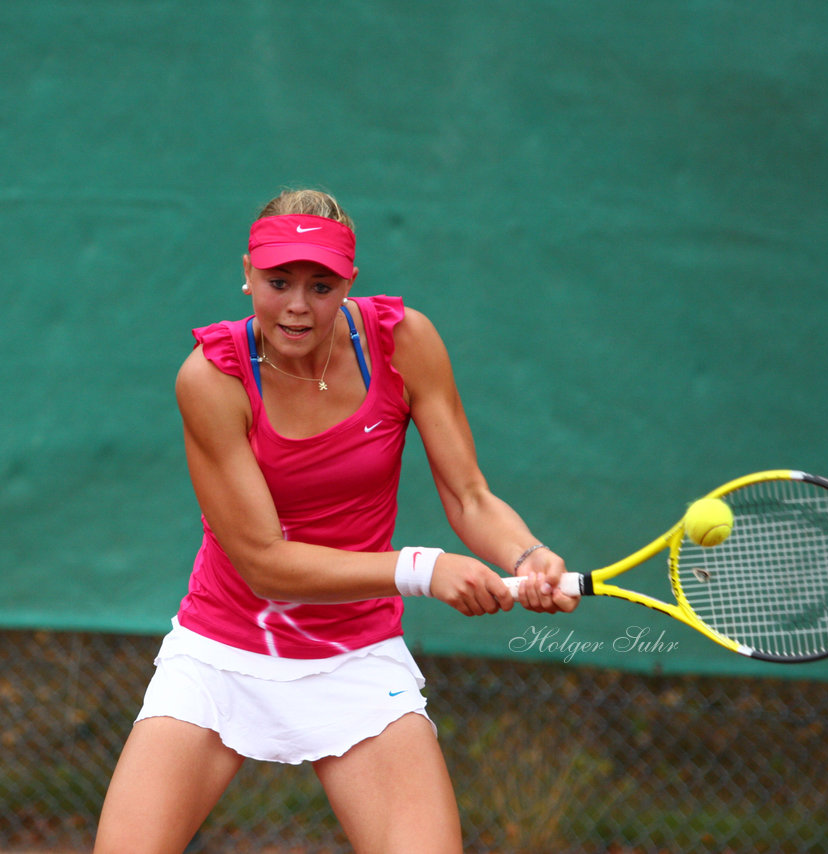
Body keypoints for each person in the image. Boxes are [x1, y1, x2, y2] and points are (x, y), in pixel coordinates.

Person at [93, 188, 577, 854]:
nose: (296, 305)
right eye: (278, 281)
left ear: (348, 282)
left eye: (320, 286)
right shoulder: (211, 379)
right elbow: (264, 563)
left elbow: (469, 495)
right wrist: (425, 569)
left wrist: (526, 555)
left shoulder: (405, 344)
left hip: (355, 655)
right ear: (247, 273)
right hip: (223, 651)